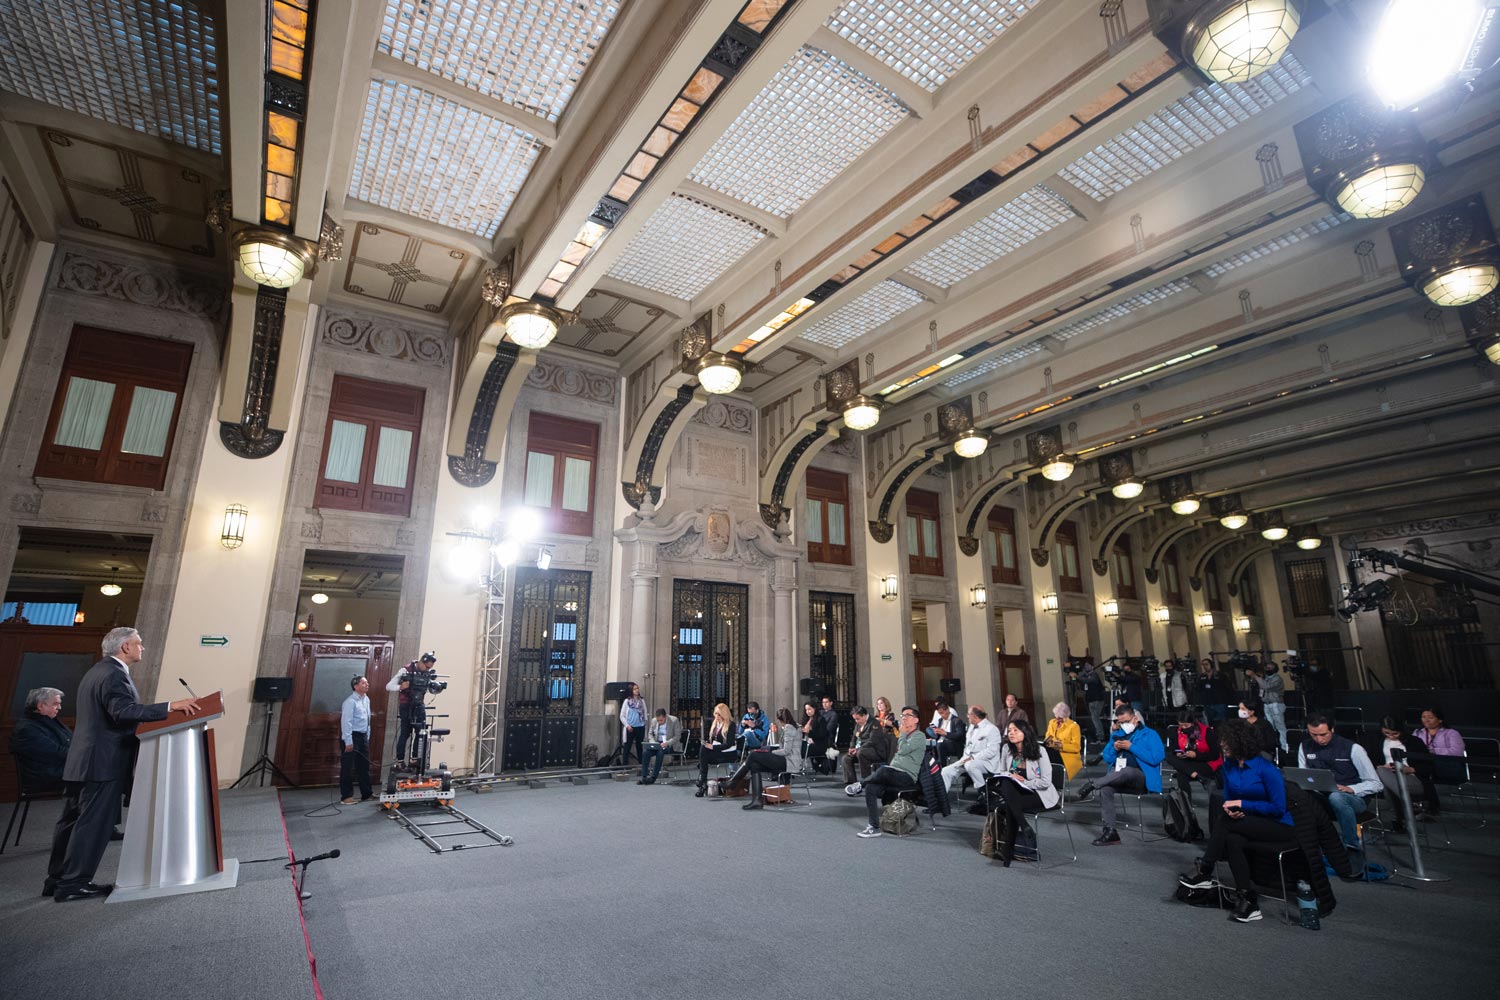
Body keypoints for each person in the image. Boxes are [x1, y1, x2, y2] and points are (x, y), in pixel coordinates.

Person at [47, 627, 198, 902]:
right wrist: (171, 707)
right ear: (125, 647)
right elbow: (123, 712)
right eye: (139, 644)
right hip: (102, 762)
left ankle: (56, 879)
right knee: (93, 824)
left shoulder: (98, 670)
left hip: (83, 760)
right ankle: (74, 883)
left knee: (71, 821)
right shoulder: (114, 674)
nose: (143, 648)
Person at [1177, 719, 1296, 924]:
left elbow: (1278, 808)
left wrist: (1242, 805)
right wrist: (1231, 808)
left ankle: (1205, 869)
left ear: (1240, 742)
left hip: (1278, 826)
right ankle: (1247, 899)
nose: (1222, 744)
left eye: (1226, 741)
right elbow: (1229, 798)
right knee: (1233, 839)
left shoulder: (1266, 769)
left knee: (1225, 823)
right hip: (1244, 822)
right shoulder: (1229, 766)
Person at [1075, 704, 1164, 846]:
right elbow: (1107, 758)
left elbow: (1157, 758)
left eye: (1126, 721)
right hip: (1119, 777)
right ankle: (1110, 832)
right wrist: (1114, 749)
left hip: (1141, 779)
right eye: (1120, 722)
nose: (1123, 725)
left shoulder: (1150, 734)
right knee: (1105, 789)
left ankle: (1093, 784)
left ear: (1135, 719)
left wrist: (1131, 747)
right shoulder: (1117, 735)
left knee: (1127, 771)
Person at [1298, 714, 1381, 850]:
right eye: (1314, 735)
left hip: (1355, 798)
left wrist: (1351, 789)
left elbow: (1376, 783)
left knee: (1337, 797)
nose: (1319, 739)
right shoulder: (1305, 746)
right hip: (1322, 795)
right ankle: (1306, 843)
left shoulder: (1353, 749)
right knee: (1296, 794)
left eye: (1323, 734)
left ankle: (1351, 844)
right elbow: (1304, 775)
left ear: (1332, 729)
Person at [990, 721, 1058, 865]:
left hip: (1038, 793)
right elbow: (1002, 771)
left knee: (1011, 805)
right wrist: (1011, 776)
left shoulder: (1040, 751)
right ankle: (1023, 825)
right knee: (1007, 782)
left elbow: (1045, 782)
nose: (1011, 733)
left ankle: (1007, 850)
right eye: (1009, 730)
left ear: (1025, 732)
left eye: (1015, 730)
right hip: (1015, 791)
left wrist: (1024, 783)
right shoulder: (1006, 749)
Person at [857, 708, 925, 838]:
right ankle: (874, 827)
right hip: (893, 775)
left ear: (916, 720)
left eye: (907, 716)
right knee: (871, 788)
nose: (903, 718)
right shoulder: (903, 736)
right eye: (902, 715)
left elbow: (904, 750)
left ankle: (861, 784)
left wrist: (902, 734)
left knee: (883, 769)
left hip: (907, 777)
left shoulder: (919, 736)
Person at [1375, 715, 1439, 822]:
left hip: (1412, 779)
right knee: (1381, 772)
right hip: (1386, 776)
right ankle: (1408, 810)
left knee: (1386, 783)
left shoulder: (1415, 742)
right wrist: (1382, 767)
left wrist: (1411, 769)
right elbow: (1369, 761)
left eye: (1395, 733)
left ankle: (1400, 816)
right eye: (1387, 733)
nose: (1391, 736)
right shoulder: (1375, 741)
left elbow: (1429, 766)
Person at [11, 686, 71, 790]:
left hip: (56, 769)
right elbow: (57, 753)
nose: (60, 707)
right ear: (40, 705)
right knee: (97, 773)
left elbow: (72, 741)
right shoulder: (26, 729)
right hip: (44, 776)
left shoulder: (49, 720)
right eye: (55, 704)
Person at [939, 705, 1001, 801]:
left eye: (968, 714)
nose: (967, 716)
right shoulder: (971, 727)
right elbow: (968, 747)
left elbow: (992, 751)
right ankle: (941, 802)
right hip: (967, 759)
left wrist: (973, 758)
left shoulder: (992, 729)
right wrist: (964, 759)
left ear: (974, 716)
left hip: (987, 762)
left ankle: (983, 790)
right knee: (946, 771)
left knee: (970, 765)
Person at [387, 651, 437, 763]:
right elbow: (389, 686)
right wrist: (401, 686)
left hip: (419, 705)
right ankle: (400, 761)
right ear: (421, 661)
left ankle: (415, 759)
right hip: (406, 705)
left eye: (429, 668)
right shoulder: (405, 670)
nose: (426, 669)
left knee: (421, 732)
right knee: (405, 733)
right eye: (426, 666)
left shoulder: (427, 673)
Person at [1164, 710, 1221, 800]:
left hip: (1207, 763)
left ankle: (1186, 807)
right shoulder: (1178, 731)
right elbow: (1173, 749)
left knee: (1181, 774)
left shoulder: (1207, 732)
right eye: (1181, 725)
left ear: (1193, 723)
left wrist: (1196, 755)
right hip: (1188, 762)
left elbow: (1215, 755)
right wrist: (1178, 752)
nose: (1183, 727)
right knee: (1169, 756)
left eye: (1186, 725)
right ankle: (1197, 777)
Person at [338, 676, 373, 804]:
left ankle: (367, 793)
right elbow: (346, 722)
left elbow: (368, 719)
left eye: (367, 683)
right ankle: (346, 796)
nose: (367, 685)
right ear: (355, 686)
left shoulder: (366, 699)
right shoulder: (350, 701)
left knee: (364, 766)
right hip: (352, 736)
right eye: (364, 683)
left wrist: (367, 736)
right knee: (347, 767)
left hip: (363, 736)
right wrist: (348, 741)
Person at [842, 706, 892, 791]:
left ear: (864, 715)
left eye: (858, 719)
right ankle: (852, 783)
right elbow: (854, 737)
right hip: (860, 749)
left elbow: (872, 740)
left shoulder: (874, 723)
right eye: (855, 719)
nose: (856, 721)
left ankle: (865, 781)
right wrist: (852, 747)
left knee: (861, 753)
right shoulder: (858, 724)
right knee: (846, 758)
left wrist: (857, 749)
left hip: (875, 750)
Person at [695, 703, 739, 797]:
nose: (717, 716)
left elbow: (729, 744)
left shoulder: (731, 725)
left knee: (703, 758)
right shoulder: (715, 724)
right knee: (703, 750)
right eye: (715, 714)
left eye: (719, 714)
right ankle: (702, 783)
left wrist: (713, 747)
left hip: (728, 754)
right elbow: (713, 740)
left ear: (725, 714)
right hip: (718, 752)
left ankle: (702, 782)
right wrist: (707, 743)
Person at [1414, 707, 1466, 785]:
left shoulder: (1452, 733)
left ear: (1440, 720)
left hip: (1447, 764)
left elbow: (1457, 752)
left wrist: (1433, 751)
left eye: (1430, 717)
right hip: (1424, 764)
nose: (1426, 720)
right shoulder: (1417, 732)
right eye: (1423, 717)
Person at [1248, 661, 1288, 751]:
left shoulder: (1277, 678)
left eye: (1270, 667)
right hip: (1267, 704)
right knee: (1269, 726)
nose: (1268, 669)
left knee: (1280, 727)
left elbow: (1267, 686)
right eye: (1267, 667)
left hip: (1276, 704)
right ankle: (1273, 745)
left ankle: (1284, 746)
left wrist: (1255, 676)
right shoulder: (1265, 678)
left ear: (1275, 669)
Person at [638, 708, 682, 785]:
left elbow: (677, 736)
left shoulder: (674, 720)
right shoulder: (654, 721)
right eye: (658, 720)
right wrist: (653, 742)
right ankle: (644, 777)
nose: (659, 722)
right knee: (645, 753)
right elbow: (650, 734)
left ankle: (653, 777)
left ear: (665, 717)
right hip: (657, 743)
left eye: (661, 720)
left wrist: (667, 743)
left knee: (660, 752)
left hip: (669, 744)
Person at [1043, 702, 1082, 779]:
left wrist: (1062, 746)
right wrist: (1049, 742)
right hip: (1053, 750)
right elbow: (1048, 736)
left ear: (1065, 716)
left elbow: (1076, 747)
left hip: (1067, 754)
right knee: (1042, 753)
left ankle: (1053, 780)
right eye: (1055, 716)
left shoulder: (1074, 726)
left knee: (1047, 758)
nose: (1056, 718)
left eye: (1059, 717)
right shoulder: (1052, 722)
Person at [1237, 696, 1278, 760]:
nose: (1240, 711)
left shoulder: (1264, 724)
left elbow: (1271, 742)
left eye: (1243, 709)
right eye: (1239, 708)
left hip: (1261, 752)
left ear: (1252, 712)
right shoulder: (1238, 724)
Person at [927, 699, 966, 763]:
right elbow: (939, 736)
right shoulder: (940, 720)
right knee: (930, 744)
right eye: (940, 713)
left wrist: (945, 733)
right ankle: (933, 765)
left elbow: (959, 735)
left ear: (947, 709)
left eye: (942, 713)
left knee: (940, 744)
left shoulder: (956, 721)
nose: (942, 715)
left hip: (954, 743)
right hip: (941, 741)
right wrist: (937, 733)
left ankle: (942, 765)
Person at [769, 708, 805, 776]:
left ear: (780, 720)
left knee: (764, 757)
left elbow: (786, 751)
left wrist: (771, 752)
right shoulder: (796, 726)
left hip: (790, 761)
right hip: (794, 759)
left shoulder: (789, 727)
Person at [810, 695, 841, 774]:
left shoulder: (833, 714)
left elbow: (829, 728)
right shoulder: (820, 713)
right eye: (823, 702)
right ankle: (816, 765)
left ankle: (822, 766)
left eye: (826, 702)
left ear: (831, 703)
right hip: (818, 736)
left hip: (827, 738)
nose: (824, 704)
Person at [618, 682, 647, 766]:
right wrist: (627, 725)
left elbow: (645, 712)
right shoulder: (627, 701)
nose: (637, 690)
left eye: (637, 688)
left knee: (640, 747)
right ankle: (625, 766)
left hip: (640, 726)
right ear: (631, 690)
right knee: (627, 747)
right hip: (630, 727)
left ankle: (642, 765)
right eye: (634, 689)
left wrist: (644, 722)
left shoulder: (642, 700)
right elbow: (622, 715)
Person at [1078, 663, 1108, 742]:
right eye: (1085, 667)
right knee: (1094, 718)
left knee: (1095, 718)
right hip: (1090, 700)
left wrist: (1076, 677)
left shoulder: (1094, 675)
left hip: (1097, 699)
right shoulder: (1085, 676)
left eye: (1088, 666)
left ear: (1092, 667)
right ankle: (1099, 736)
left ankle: (1100, 736)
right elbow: (1082, 683)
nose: (1086, 667)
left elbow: (1089, 680)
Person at [1197, 659, 1231, 724]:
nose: (1205, 666)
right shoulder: (1202, 677)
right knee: (1211, 722)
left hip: (1220, 702)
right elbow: (1198, 689)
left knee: (1222, 722)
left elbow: (1228, 688)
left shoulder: (1220, 675)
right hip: (1208, 703)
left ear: (1211, 664)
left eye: (1206, 664)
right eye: (1203, 665)